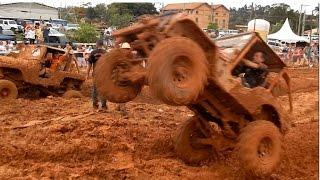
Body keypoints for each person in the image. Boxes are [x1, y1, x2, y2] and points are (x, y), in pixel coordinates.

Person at [87, 40, 107, 110]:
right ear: (102, 44)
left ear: (97, 44)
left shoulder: (93, 52)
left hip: (96, 73)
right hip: (104, 73)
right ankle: (104, 105)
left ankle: (95, 104)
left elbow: (89, 64)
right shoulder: (106, 53)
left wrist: (87, 73)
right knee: (104, 89)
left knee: (95, 89)